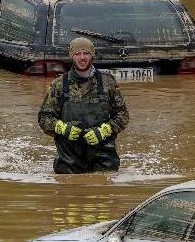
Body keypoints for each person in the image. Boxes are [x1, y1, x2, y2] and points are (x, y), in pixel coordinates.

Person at [37, 37, 130, 174]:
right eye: (77, 53)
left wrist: (105, 130)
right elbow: (44, 118)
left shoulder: (108, 82)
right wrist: (62, 128)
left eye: (86, 53)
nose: (82, 58)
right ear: (71, 56)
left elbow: (123, 115)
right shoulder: (59, 84)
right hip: (68, 160)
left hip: (104, 159)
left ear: (92, 55)